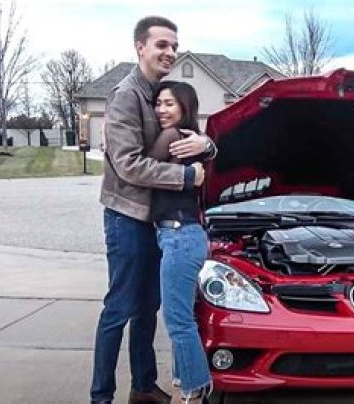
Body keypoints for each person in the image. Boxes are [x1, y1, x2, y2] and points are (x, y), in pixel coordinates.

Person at [91, 16, 213, 404]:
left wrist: (207, 146)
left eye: (174, 46)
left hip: (156, 221)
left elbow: (190, 133)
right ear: (140, 47)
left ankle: (143, 388)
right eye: (162, 44)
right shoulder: (126, 95)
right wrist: (186, 176)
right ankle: (101, 397)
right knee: (120, 307)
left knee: (148, 307)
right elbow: (128, 165)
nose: (170, 52)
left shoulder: (158, 93)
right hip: (126, 216)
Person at [148, 81, 216, 404]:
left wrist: (112, 146)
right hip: (182, 236)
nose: (161, 109)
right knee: (181, 316)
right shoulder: (193, 140)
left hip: (179, 236)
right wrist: (209, 144)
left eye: (169, 104)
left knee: (178, 320)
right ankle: (184, 380)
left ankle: (196, 387)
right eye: (158, 103)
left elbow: (139, 166)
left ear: (185, 107)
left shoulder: (173, 136)